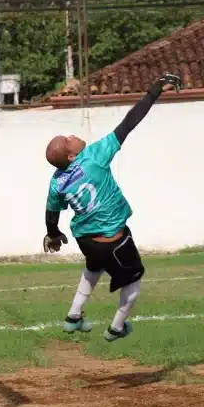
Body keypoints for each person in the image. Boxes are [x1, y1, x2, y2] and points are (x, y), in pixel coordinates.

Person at [42, 73, 183, 342]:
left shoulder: (56, 181)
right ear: (72, 155)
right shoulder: (93, 156)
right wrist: (155, 90)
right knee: (134, 281)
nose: (72, 136)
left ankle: (74, 316)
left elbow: (51, 213)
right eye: (68, 139)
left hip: (86, 238)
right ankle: (117, 327)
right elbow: (129, 123)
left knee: (93, 268)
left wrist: (54, 234)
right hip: (112, 239)